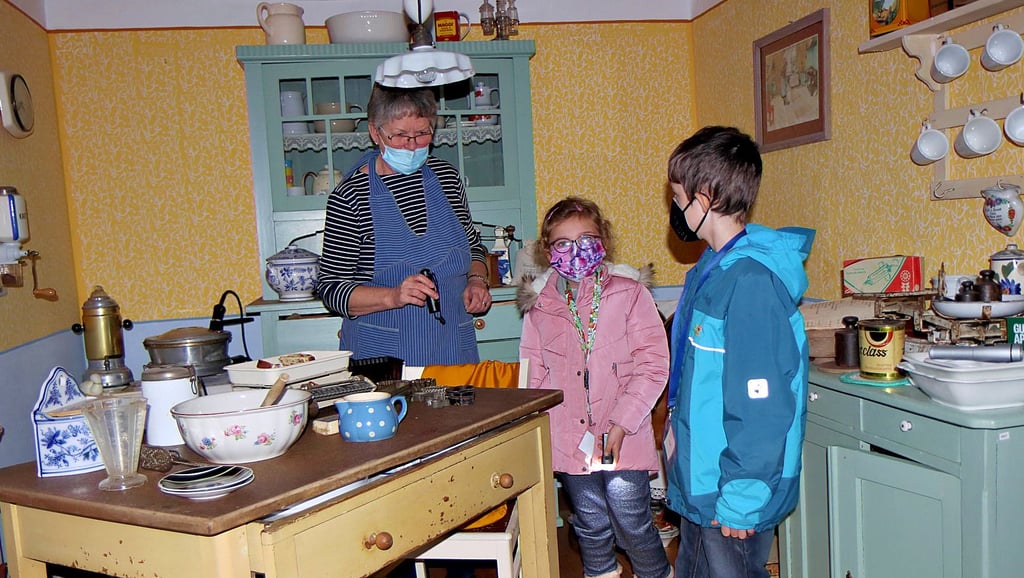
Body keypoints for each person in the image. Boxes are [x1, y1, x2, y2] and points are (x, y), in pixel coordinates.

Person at [662, 126, 814, 578]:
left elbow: (761, 405)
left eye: (676, 195)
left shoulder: (750, 283)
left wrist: (741, 500)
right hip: (702, 478)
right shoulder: (711, 269)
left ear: (704, 197)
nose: (673, 207)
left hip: (732, 492)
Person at [518, 196, 672, 578]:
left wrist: (622, 423)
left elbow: (654, 364)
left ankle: (656, 573)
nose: (576, 251)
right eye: (563, 244)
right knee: (589, 522)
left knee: (631, 519)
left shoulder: (629, 294)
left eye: (586, 239)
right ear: (547, 250)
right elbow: (533, 377)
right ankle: (600, 573)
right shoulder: (540, 309)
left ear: (603, 240)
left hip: (625, 430)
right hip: (570, 438)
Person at [317, 84, 492, 367]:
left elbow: (473, 246)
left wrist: (477, 280)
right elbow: (332, 289)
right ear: (376, 132)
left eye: (422, 133)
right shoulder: (350, 196)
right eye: (399, 136)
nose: (412, 145)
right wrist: (393, 296)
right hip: (384, 357)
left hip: (453, 350)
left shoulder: (447, 179)